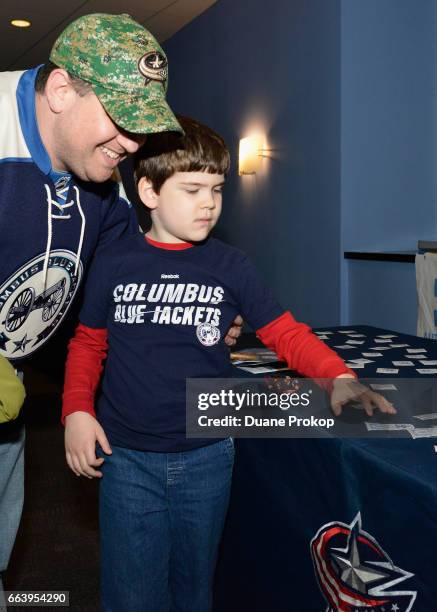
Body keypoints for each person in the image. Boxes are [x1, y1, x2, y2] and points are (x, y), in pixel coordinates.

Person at [62, 116, 396, 611]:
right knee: (132, 592)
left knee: (196, 586)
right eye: (192, 189)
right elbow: (88, 344)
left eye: (217, 190)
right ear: (149, 191)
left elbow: (285, 331)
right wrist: (75, 411)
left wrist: (338, 376)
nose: (209, 204)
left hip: (207, 455)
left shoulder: (230, 265)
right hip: (127, 456)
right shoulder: (113, 261)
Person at [0, 12, 239, 607]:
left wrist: (194, 308)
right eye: (119, 121)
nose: (131, 146)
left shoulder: (102, 182)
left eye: (141, 127)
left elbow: (126, 284)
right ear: (60, 91)